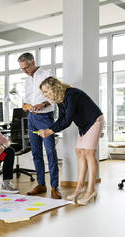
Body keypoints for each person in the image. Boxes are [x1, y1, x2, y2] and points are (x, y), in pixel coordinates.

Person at [38, 77, 104, 205]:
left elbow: (67, 120)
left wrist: (50, 132)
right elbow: (60, 119)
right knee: (80, 152)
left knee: (89, 154)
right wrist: (49, 129)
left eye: (46, 91)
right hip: (84, 125)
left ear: (53, 87)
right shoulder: (60, 100)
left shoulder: (71, 94)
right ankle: (80, 188)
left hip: (94, 121)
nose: (45, 95)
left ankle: (91, 190)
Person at [18, 52, 61, 199]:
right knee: (36, 153)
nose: (25, 71)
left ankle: (55, 187)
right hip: (31, 118)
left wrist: (43, 104)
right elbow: (26, 99)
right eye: (22, 69)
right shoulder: (27, 81)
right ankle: (41, 184)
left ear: (33, 62)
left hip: (45, 117)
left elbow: (57, 95)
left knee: (50, 152)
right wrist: (25, 105)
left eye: (26, 67)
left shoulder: (48, 74)